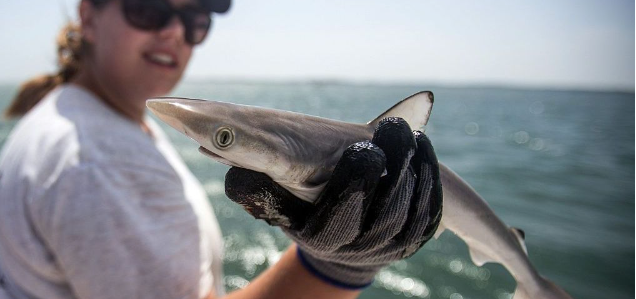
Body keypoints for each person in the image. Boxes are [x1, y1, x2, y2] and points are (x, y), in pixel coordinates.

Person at [0, 0, 442, 299]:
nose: (175, 32)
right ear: (89, 17)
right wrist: (340, 267)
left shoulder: (80, 116)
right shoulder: (99, 161)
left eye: (195, 20)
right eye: (148, 8)